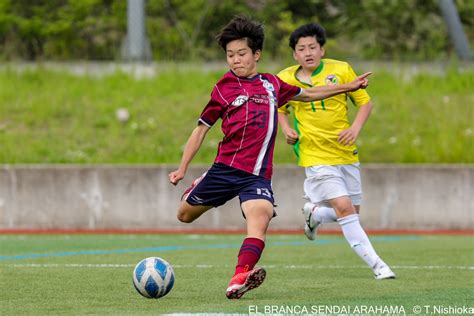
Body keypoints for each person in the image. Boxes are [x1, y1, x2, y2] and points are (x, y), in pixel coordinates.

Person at [168, 16, 372, 299]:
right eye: (230, 55)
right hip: (224, 170)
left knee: (261, 216)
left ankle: (239, 276)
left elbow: (310, 93)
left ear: (256, 54)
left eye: (241, 54)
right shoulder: (223, 88)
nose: (236, 60)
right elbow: (201, 130)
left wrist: (347, 88)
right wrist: (181, 169)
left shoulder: (272, 84)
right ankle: (198, 187)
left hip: (256, 176)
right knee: (184, 215)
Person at [277, 23, 395, 280]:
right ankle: (378, 266)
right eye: (301, 49)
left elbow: (365, 103)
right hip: (313, 153)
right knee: (344, 208)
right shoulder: (285, 77)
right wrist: (286, 129)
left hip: (345, 151)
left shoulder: (341, 70)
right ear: (294, 54)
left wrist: (355, 128)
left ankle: (316, 213)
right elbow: (280, 108)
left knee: (351, 210)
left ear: (322, 49)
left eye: (312, 47)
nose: (307, 53)